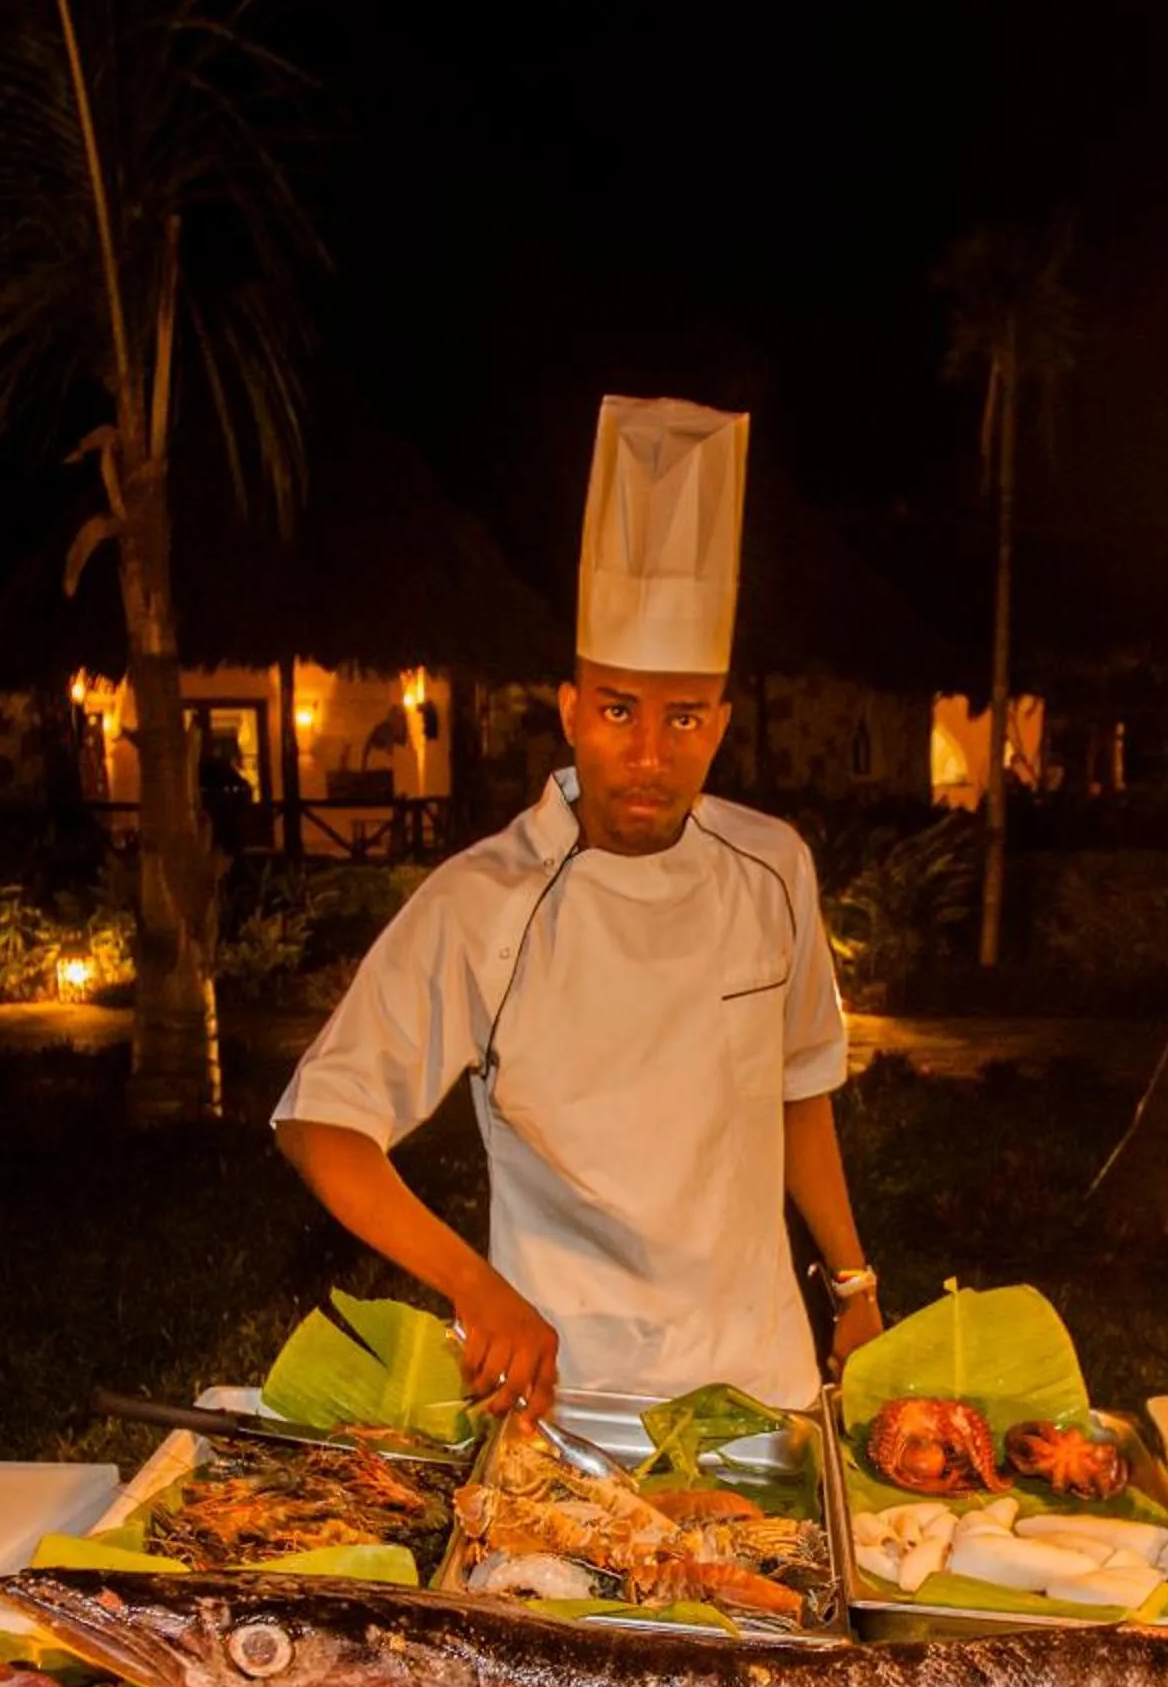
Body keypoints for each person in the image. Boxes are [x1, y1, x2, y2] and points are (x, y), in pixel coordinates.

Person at [272, 396, 881, 1423]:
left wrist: (854, 1285)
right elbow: (321, 1125)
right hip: (569, 1398)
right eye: (618, 711)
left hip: (761, 1386)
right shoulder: (485, 900)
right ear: (570, 711)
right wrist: (476, 1286)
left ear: (719, 724)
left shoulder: (776, 867)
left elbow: (798, 1088)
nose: (648, 755)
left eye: (682, 718)